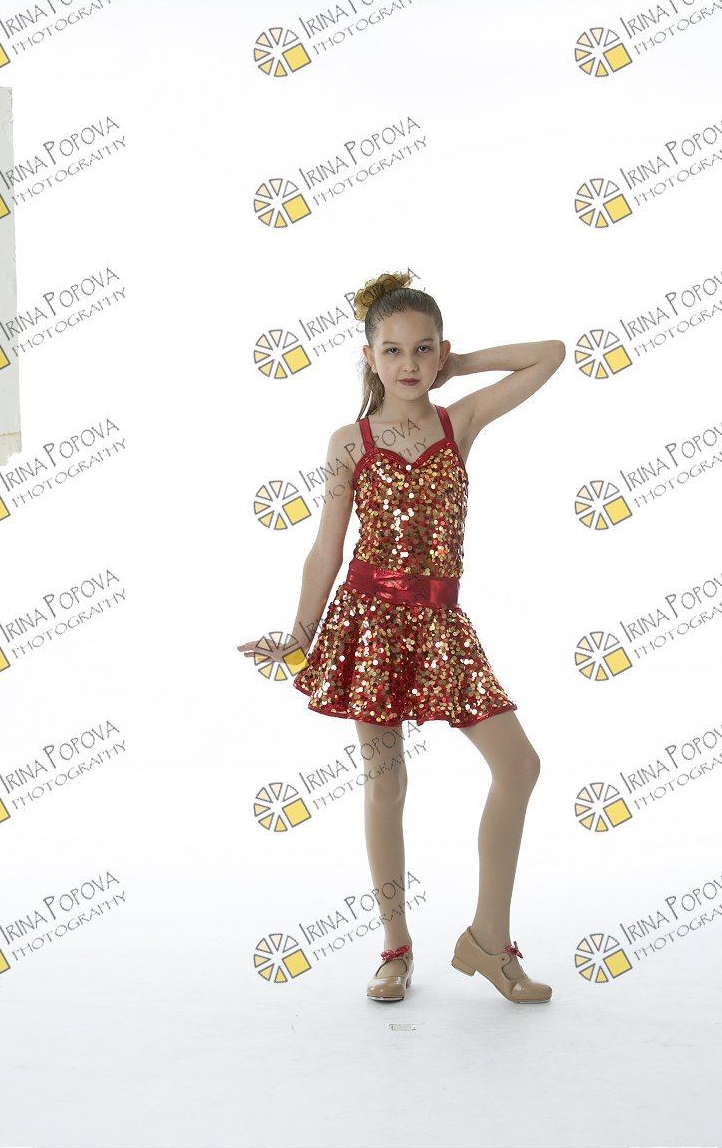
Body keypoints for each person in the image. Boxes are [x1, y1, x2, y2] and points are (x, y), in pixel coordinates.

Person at [237, 271, 565, 1005]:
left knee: (518, 766)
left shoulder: (459, 422)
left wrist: (463, 364)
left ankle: (489, 940)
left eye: (423, 349)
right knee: (386, 782)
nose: (409, 363)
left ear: (439, 353)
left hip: (442, 625)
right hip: (370, 623)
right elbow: (325, 550)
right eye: (392, 350)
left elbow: (551, 353)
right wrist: (299, 635)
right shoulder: (349, 443)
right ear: (369, 357)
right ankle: (395, 947)